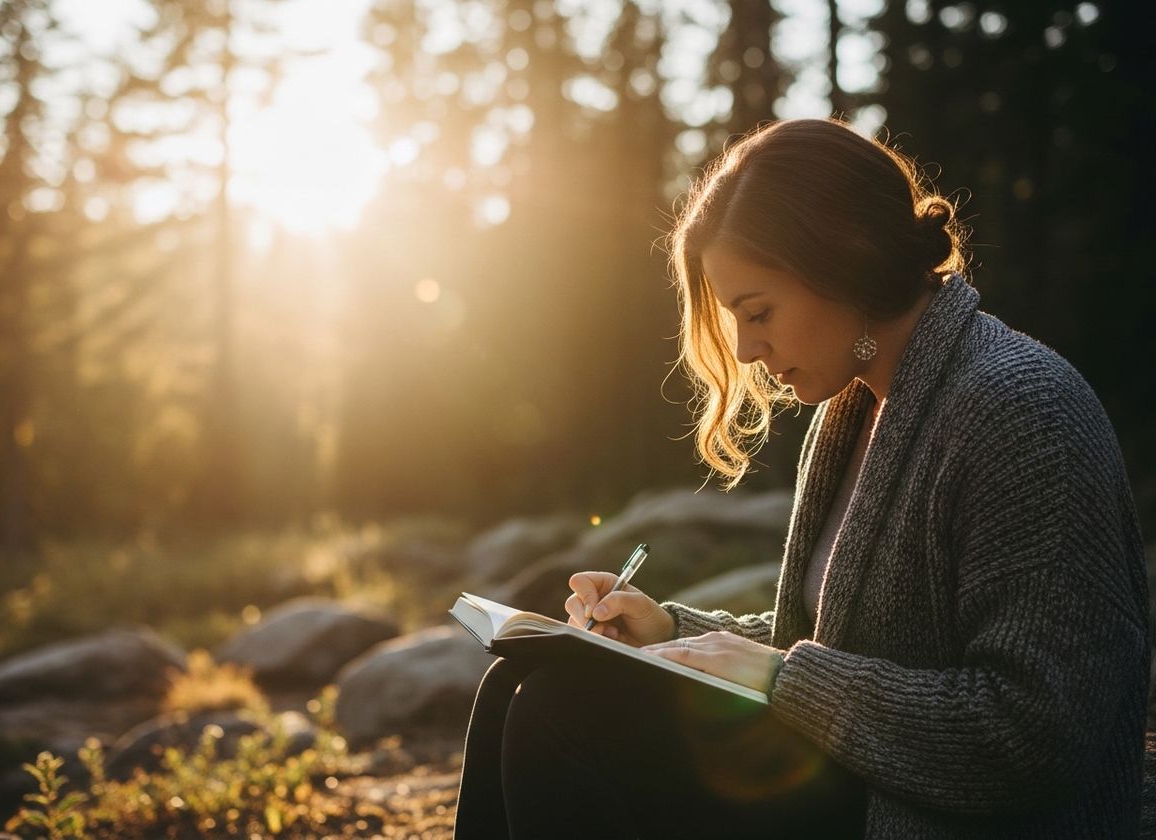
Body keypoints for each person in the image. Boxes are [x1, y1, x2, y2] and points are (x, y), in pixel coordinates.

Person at [452, 117, 1150, 839]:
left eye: (759, 312)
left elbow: (1036, 734)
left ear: (844, 257)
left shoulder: (1018, 409)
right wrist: (671, 629)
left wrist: (785, 682)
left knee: (562, 713)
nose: (749, 350)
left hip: (925, 816)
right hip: (851, 784)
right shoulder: (855, 410)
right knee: (517, 684)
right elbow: (828, 643)